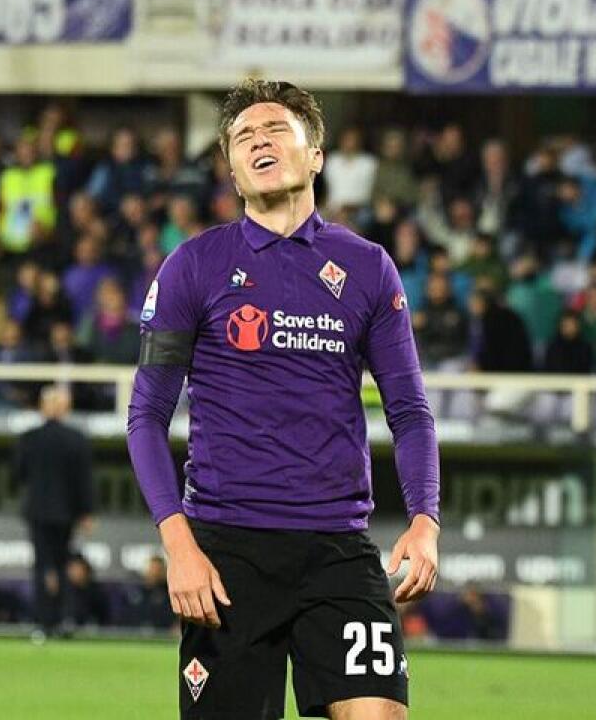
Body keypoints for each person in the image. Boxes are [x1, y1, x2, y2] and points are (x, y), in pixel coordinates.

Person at [127, 79, 439, 720]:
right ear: (233, 170)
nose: (259, 142)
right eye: (243, 137)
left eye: (275, 130)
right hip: (228, 553)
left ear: (316, 154)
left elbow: (409, 412)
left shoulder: (369, 268)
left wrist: (425, 520)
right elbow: (146, 417)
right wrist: (178, 545)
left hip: (338, 549)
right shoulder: (192, 266)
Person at [13, 385, 94, 636]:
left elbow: (18, 474)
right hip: (66, 513)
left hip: (37, 511)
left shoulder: (28, 438)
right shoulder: (76, 439)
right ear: (65, 408)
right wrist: (87, 512)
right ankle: (63, 620)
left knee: (41, 566)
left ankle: (42, 622)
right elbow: (84, 480)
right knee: (63, 565)